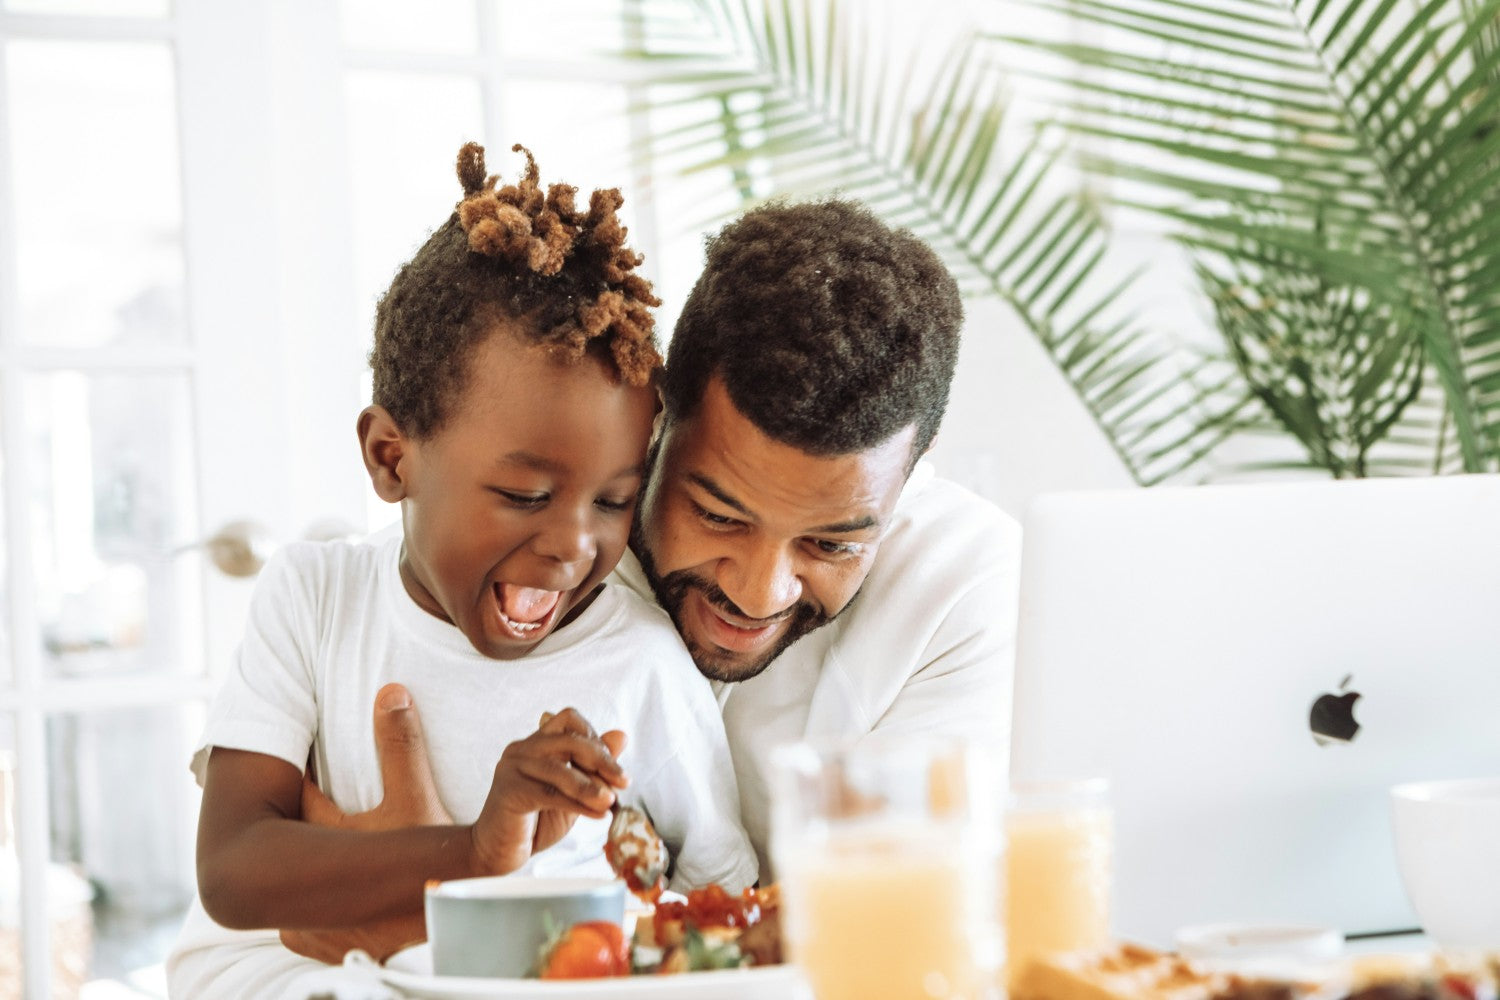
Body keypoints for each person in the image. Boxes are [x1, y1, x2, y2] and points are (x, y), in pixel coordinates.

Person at [289, 195, 1020, 960]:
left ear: (905, 489)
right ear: (659, 421)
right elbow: (229, 956)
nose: (757, 592)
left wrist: (453, 927)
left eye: (830, 545)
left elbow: (890, 959)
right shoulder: (492, 587)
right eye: (718, 516)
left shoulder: (962, 589)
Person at [165, 142, 756, 999]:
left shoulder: (640, 663)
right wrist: (478, 850)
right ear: (391, 458)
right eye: (523, 493)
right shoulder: (316, 599)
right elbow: (232, 868)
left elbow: (723, 909)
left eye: (612, 500)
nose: (572, 547)